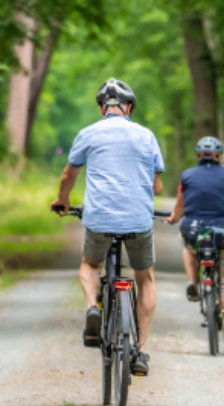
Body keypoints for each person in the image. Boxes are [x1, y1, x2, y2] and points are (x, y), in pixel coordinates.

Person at [50, 78, 164, 374]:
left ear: (102, 108)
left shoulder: (88, 133)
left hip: (99, 218)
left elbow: (67, 176)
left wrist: (63, 200)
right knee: (146, 278)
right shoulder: (146, 135)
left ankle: (92, 308)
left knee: (90, 265)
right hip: (139, 220)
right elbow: (157, 185)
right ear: (129, 108)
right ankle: (141, 351)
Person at [166, 136, 224, 343]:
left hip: (194, 232)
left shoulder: (187, 176)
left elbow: (179, 207)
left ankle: (193, 281)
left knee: (186, 245)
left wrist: (174, 218)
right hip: (222, 233)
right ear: (219, 155)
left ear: (198, 155)